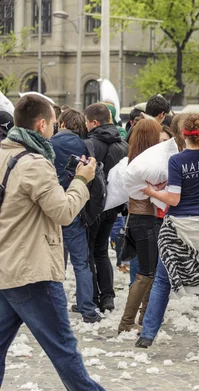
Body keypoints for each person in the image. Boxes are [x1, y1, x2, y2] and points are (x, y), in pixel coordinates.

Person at [0, 95, 127, 391]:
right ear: (42, 124)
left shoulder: (4, 154)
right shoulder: (34, 163)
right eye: (52, 125)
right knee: (64, 352)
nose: (54, 131)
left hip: (6, 266)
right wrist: (81, 180)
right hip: (33, 270)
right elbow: (64, 212)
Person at [135, 114, 199, 360]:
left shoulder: (177, 161)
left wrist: (150, 191)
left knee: (162, 281)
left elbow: (175, 199)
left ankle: (147, 335)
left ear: (182, 134)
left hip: (178, 227)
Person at [50, 108, 102, 323]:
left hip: (52, 207)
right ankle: (87, 309)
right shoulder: (86, 145)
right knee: (81, 262)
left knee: (54, 264)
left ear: (61, 123)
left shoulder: (49, 144)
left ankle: (54, 308)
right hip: (76, 207)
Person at [117, 119, 162, 333]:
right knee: (146, 273)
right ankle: (128, 322)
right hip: (146, 220)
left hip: (138, 219)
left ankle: (145, 318)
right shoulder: (148, 166)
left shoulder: (133, 160)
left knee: (148, 272)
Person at [84, 103, 129, 312]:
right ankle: (108, 296)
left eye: (87, 121)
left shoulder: (89, 144)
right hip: (113, 205)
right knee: (102, 251)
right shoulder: (123, 144)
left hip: (92, 206)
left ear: (94, 122)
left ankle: (93, 296)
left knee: (89, 253)